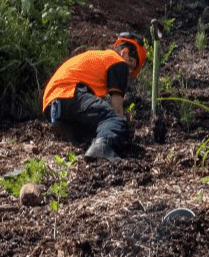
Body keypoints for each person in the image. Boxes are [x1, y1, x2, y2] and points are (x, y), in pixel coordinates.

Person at [41, 32, 146, 161]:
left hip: (51, 105)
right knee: (115, 121)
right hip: (70, 92)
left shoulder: (100, 58)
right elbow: (117, 110)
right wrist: (122, 128)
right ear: (124, 53)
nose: (128, 71)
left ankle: (68, 129)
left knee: (97, 128)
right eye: (130, 64)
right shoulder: (117, 61)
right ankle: (101, 148)